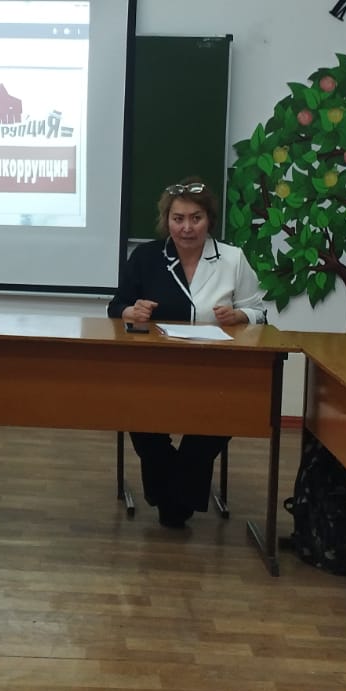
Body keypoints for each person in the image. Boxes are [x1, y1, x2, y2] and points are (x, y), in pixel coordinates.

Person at [107, 176, 269, 529]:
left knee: (220, 420)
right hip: (154, 369)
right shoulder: (147, 257)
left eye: (196, 218)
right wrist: (131, 311)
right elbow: (116, 306)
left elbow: (260, 312)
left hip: (218, 370)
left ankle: (173, 496)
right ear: (166, 220)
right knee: (141, 422)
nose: (186, 227)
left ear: (209, 220)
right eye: (178, 218)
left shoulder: (232, 259)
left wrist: (241, 316)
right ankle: (176, 497)